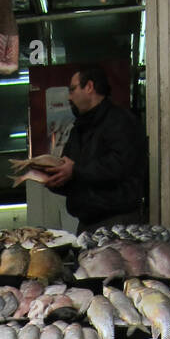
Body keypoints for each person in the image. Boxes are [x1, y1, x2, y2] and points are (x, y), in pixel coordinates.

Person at [44, 66, 147, 233]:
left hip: (118, 223)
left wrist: (75, 171)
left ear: (89, 87)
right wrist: (54, 178)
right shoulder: (79, 128)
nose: (69, 97)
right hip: (86, 224)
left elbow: (119, 165)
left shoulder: (120, 120)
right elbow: (72, 170)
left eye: (73, 89)